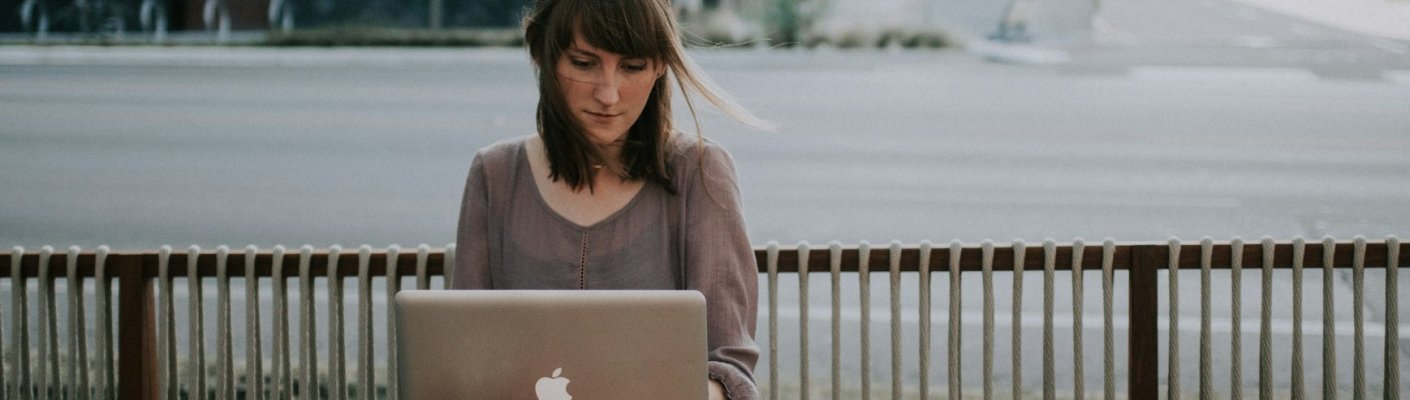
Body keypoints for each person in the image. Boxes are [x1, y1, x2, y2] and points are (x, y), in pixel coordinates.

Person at [450, 0, 772, 399]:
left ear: (659, 67)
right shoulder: (493, 174)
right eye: (584, 63)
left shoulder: (701, 171)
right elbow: (462, 357)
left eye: (632, 66)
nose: (608, 93)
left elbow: (729, 366)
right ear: (542, 55)